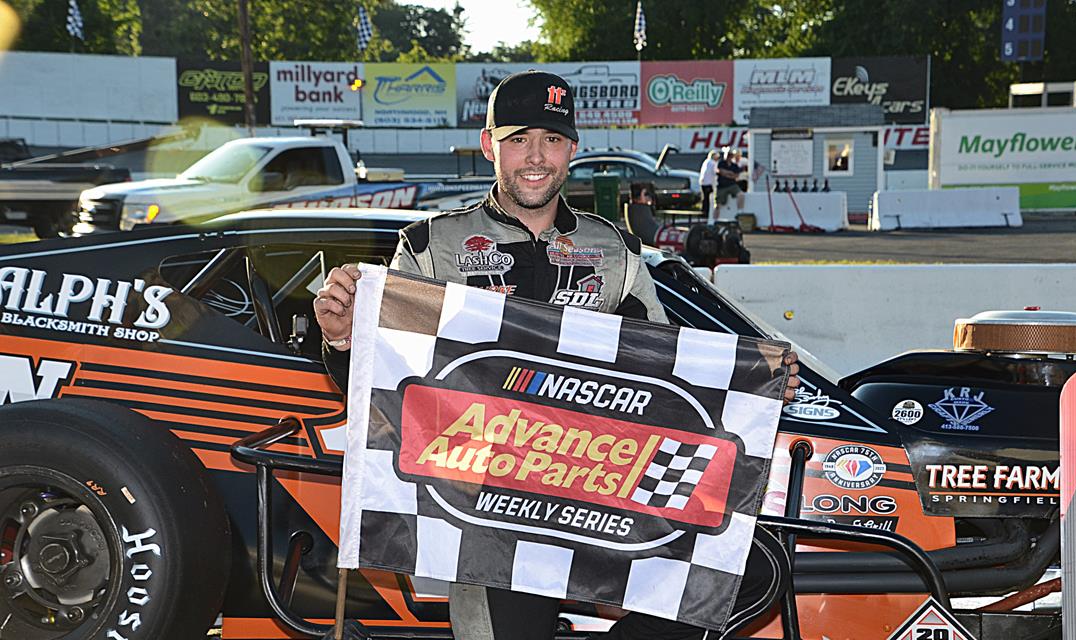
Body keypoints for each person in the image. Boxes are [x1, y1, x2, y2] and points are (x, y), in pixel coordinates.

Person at [313, 70, 800, 640]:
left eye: (551, 139)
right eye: (519, 139)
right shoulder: (431, 248)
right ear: (489, 143)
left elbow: (675, 377)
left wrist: (754, 385)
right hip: (487, 512)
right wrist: (346, 338)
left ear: (573, 148)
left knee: (750, 565)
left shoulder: (614, 250)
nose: (535, 157)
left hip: (604, 493)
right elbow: (384, 387)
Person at [698, 149, 720, 216]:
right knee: (708, 199)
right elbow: (715, 172)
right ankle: (707, 212)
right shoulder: (713, 163)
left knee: (704, 198)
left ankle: (703, 211)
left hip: (703, 182)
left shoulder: (706, 161)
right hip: (709, 183)